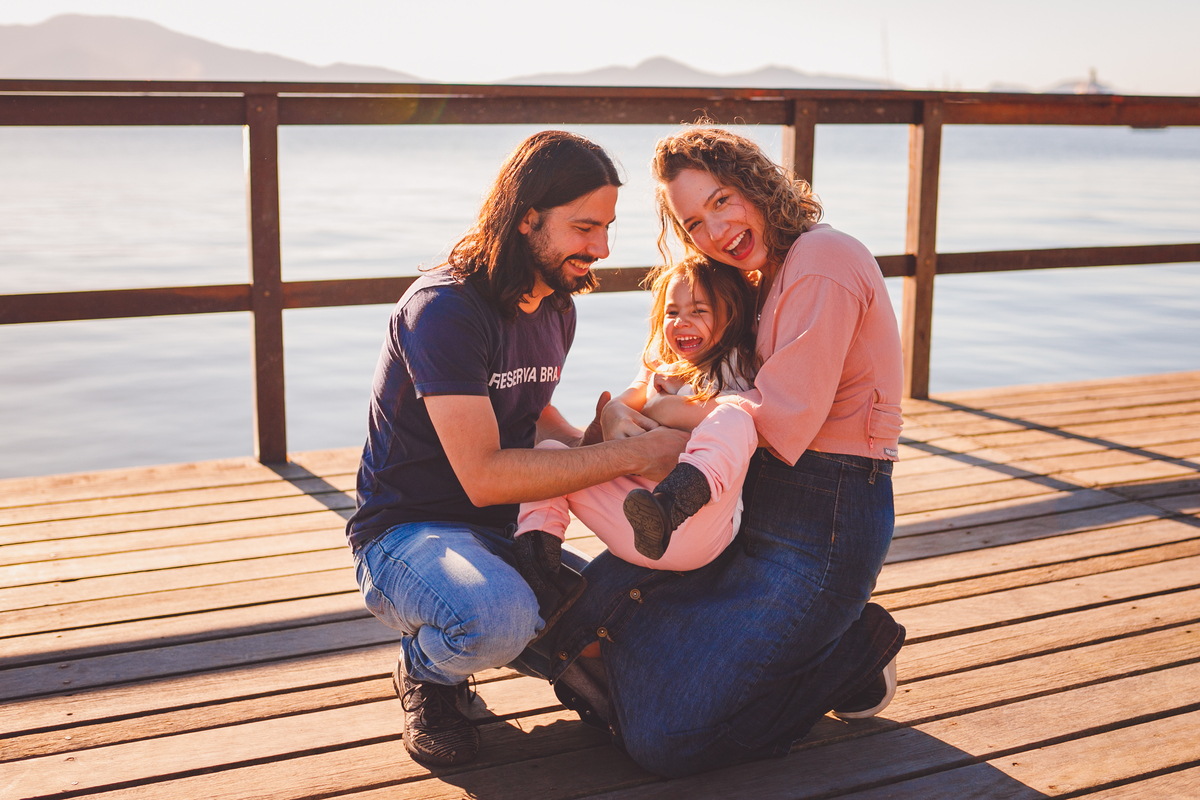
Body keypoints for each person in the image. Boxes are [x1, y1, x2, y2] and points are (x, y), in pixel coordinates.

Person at [537, 126, 907, 778]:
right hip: (743, 499)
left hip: (822, 524)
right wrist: (629, 408)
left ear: (758, 185)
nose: (715, 228)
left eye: (723, 199)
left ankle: (847, 650)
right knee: (581, 622)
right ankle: (789, 646)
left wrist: (650, 425)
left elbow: (774, 417)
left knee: (665, 741)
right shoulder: (759, 276)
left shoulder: (823, 259)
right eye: (694, 220)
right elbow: (691, 375)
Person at [346, 130, 688, 768]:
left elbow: (527, 415)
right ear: (528, 218)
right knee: (498, 619)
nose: (602, 248)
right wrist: (634, 458)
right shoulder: (443, 311)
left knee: (637, 616)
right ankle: (428, 671)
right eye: (585, 228)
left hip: (509, 532)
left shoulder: (556, 304)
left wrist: (601, 428)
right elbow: (484, 475)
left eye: (608, 227)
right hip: (406, 536)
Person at [514, 254, 760, 571]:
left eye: (698, 311)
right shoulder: (658, 372)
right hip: (631, 523)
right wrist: (620, 413)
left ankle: (673, 503)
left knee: (736, 418)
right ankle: (539, 564)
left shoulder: (740, 368)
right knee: (549, 455)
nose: (681, 321)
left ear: (731, 318)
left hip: (698, 532)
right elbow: (619, 407)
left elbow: (754, 414)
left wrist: (664, 407)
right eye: (672, 312)